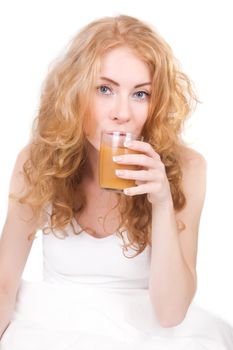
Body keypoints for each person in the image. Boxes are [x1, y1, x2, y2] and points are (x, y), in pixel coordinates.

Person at [0, 14, 233, 350]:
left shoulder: (187, 167)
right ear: (75, 92)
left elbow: (170, 313)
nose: (121, 112)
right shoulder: (39, 160)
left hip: (147, 332)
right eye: (105, 89)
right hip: (55, 321)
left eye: (140, 94)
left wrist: (162, 203)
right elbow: (5, 282)